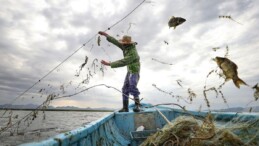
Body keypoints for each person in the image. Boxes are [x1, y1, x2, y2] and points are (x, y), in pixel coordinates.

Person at [98, 31, 141, 112]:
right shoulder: (125, 46)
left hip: (135, 70)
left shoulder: (133, 53)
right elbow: (115, 41)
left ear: (128, 44)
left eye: (124, 43)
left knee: (132, 86)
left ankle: (137, 105)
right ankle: (125, 108)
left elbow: (123, 62)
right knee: (125, 88)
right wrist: (105, 35)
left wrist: (108, 64)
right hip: (129, 70)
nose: (122, 44)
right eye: (122, 43)